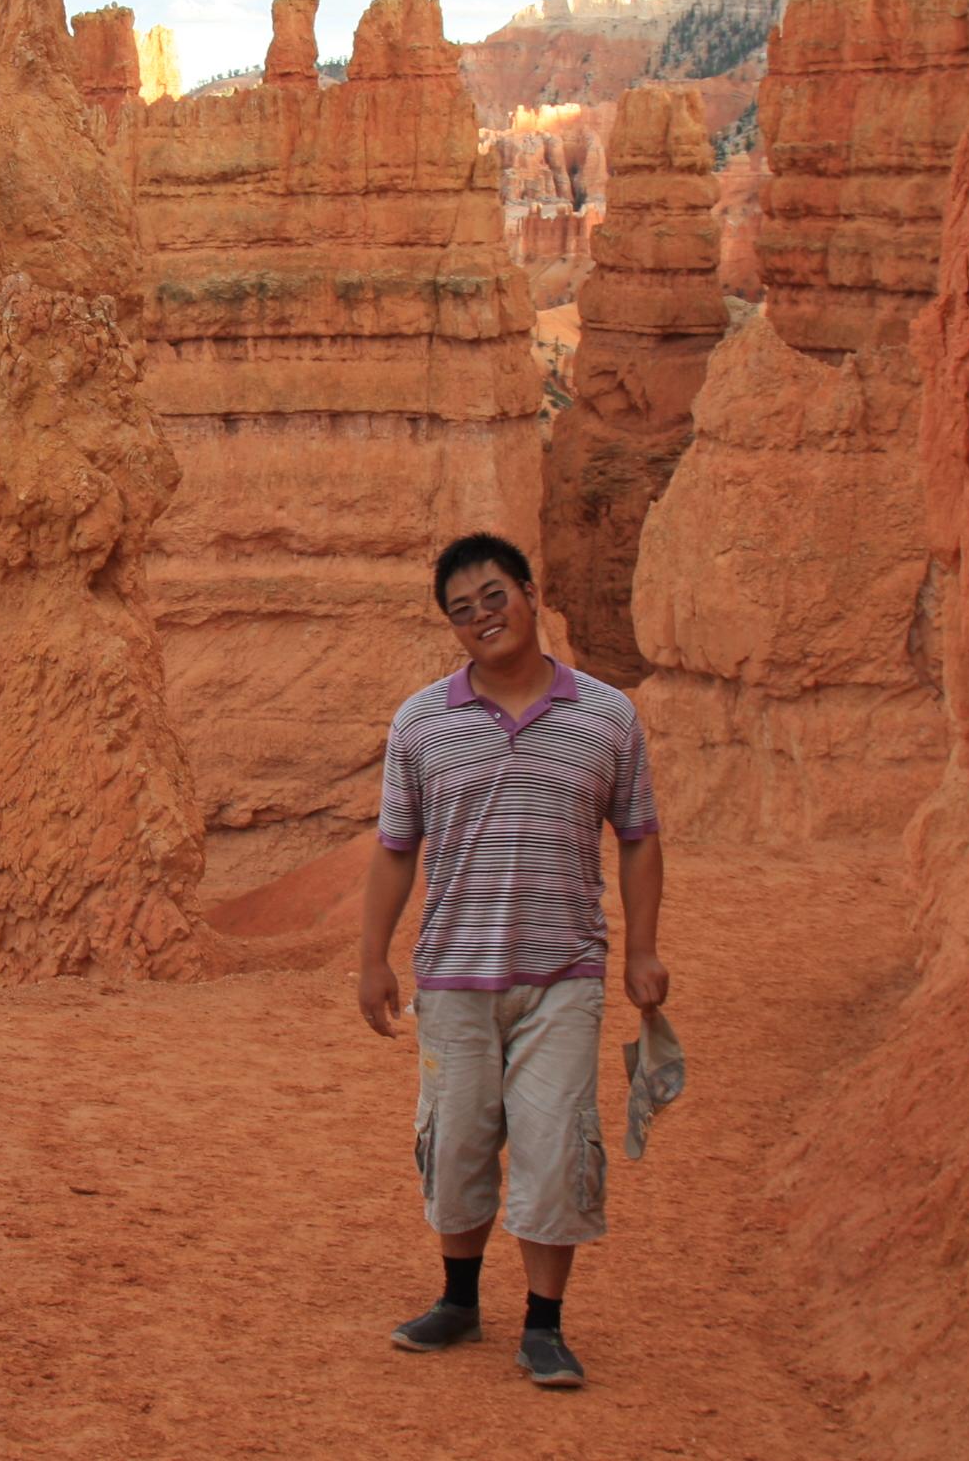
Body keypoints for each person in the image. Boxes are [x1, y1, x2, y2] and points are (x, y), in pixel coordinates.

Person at [356, 530, 669, 1389]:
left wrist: (642, 949)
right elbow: (395, 849)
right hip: (453, 974)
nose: (483, 617)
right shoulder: (421, 723)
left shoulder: (606, 716)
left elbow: (639, 836)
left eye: (495, 596)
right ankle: (458, 1301)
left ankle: (544, 1325)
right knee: (456, 1142)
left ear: (530, 594)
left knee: (555, 1144)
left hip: (564, 973)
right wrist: (373, 959)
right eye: (463, 610)